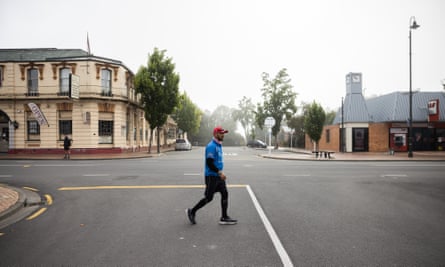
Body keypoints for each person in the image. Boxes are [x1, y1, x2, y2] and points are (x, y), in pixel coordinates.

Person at [186, 126, 237, 225]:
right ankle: (192, 211)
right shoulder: (211, 146)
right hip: (211, 176)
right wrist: (219, 172)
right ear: (215, 134)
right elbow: (209, 163)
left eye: (223, 133)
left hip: (218, 176)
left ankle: (224, 217)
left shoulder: (218, 145)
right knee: (209, 198)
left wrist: (219, 173)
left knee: (225, 193)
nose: (223, 135)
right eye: (221, 133)